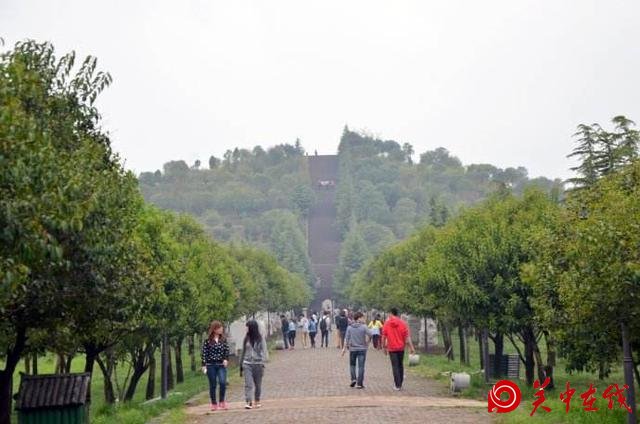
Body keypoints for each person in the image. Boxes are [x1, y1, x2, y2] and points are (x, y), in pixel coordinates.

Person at [381, 308, 416, 391]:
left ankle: (397, 385)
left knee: (395, 366)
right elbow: (407, 337)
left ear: (391, 313)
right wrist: (411, 348)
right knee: (400, 365)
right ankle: (400, 383)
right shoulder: (403, 323)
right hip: (401, 348)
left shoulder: (387, 323)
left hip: (392, 348)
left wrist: (384, 347)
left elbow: (383, 336)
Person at [201, 320, 230, 411]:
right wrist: (204, 365)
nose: (221, 329)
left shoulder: (223, 339)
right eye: (219, 328)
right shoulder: (207, 341)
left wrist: (226, 359)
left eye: (221, 328)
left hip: (221, 364)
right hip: (211, 365)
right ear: (214, 329)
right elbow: (204, 353)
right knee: (213, 384)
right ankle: (214, 403)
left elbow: (226, 350)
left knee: (222, 382)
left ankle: (222, 401)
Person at [239, 320, 268, 410]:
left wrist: (263, 362)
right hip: (247, 364)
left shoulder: (260, 338)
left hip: (258, 364)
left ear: (252, 328)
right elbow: (243, 352)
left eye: (247, 327)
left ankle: (257, 400)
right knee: (248, 384)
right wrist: (240, 364)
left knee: (258, 384)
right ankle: (248, 401)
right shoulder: (246, 338)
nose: (246, 328)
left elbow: (264, 350)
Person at [341, 311, 371, 389]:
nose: (364, 319)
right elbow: (370, 334)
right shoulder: (364, 327)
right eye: (362, 317)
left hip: (352, 349)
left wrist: (344, 349)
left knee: (352, 365)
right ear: (359, 318)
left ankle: (353, 379)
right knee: (361, 367)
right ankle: (359, 383)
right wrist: (367, 342)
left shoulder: (349, 327)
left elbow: (346, 339)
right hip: (362, 349)